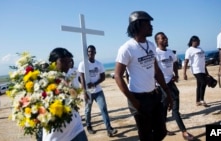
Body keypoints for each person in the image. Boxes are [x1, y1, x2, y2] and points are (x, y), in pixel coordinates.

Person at [114, 11, 173, 141]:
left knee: (161, 131)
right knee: (146, 135)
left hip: (154, 96)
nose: (151, 26)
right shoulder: (126, 48)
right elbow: (118, 76)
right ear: (138, 25)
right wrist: (133, 100)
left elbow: (157, 71)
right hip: (138, 98)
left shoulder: (151, 45)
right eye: (147, 23)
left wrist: (167, 93)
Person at [155, 32, 194, 140]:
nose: (165, 39)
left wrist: (176, 75)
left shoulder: (170, 52)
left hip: (170, 83)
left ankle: (184, 131)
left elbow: (174, 63)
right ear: (157, 41)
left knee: (175, 108)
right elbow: (153, 69)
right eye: (162, 38)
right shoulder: (155, 53)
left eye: (166, 37)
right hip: (161, 85)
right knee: (163, 110)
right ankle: (163, 129)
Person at [42, 47, 88, 141]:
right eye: (63, 61)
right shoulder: (44, 82)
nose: (67, 65)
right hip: (56, 136)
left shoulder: (66, 77)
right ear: (53, 62)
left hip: (76, 128)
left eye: (69, 62)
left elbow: (74, 97)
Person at [78, 45, 117, 137]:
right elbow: (82, 79)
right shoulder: (83, 64)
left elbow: (103, 77)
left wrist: (95, 84)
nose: (90, 53)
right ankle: (89, 126)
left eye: (92, 51)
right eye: (89, 51)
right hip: (88, 92)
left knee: (103, 109)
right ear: (87, 53)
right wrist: (85, 92)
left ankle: (109, 129)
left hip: (98, 91)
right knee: (88, 110)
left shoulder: (99, 64)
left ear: (95, 52)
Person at [183, 35, 210, 107]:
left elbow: (203, 61)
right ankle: (202, 100)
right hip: (195, 70)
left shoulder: (200, 49)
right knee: (203, 82)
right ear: (193, 41)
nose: (199, 42)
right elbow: (186, 61)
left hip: (202, 69)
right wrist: (184, 73)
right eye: (198, 41)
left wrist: (206, 71)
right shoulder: (189, 50)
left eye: (199, 41)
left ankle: (197, 101)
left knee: (199, 85)